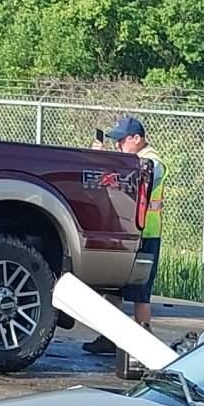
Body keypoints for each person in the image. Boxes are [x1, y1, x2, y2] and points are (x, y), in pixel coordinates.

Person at [87, 115, 163, 353]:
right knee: (113, 287)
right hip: (127, 232)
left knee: (141, 294)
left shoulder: (153, 162)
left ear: (137, 139)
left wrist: (109, 161)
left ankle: (142, 343)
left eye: (122, 141)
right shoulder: (130, 159)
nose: (118, 145)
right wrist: (100, 160)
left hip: (146, 234)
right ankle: (110, 338)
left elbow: (136, 178)